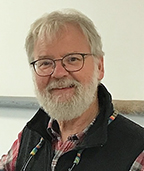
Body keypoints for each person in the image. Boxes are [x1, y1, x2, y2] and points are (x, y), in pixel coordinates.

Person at [0, 9, 144, 171]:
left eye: (73, 59)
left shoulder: (137, 153)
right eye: (45, 62)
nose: (58, 73)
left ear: (100, 67)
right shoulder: (32, 135)